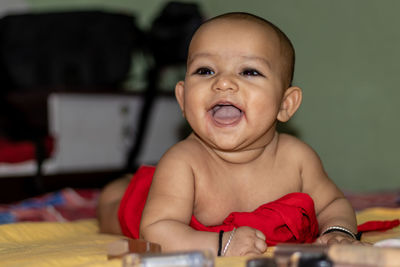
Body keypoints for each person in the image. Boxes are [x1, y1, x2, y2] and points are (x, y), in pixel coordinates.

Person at [98, 12, 363, 257]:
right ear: (182, 98)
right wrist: (220, 244)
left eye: (249, 71)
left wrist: (337, 231)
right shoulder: (183, 161)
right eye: (205, 71)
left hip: (171, 191)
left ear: (285, 104)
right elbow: (155, 230)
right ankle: (120, 187)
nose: (223, 82)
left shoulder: (298, 158)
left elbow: (333, 204)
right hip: (150, 206)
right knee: (114, 205)